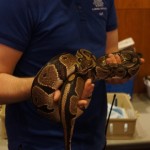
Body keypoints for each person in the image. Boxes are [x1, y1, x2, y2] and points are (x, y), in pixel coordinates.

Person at [0, 0, 144, 150]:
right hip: (36, 143)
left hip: (94, 138)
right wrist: (48, 86)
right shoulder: (16, 3)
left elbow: (110, 53)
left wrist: (116, 71)